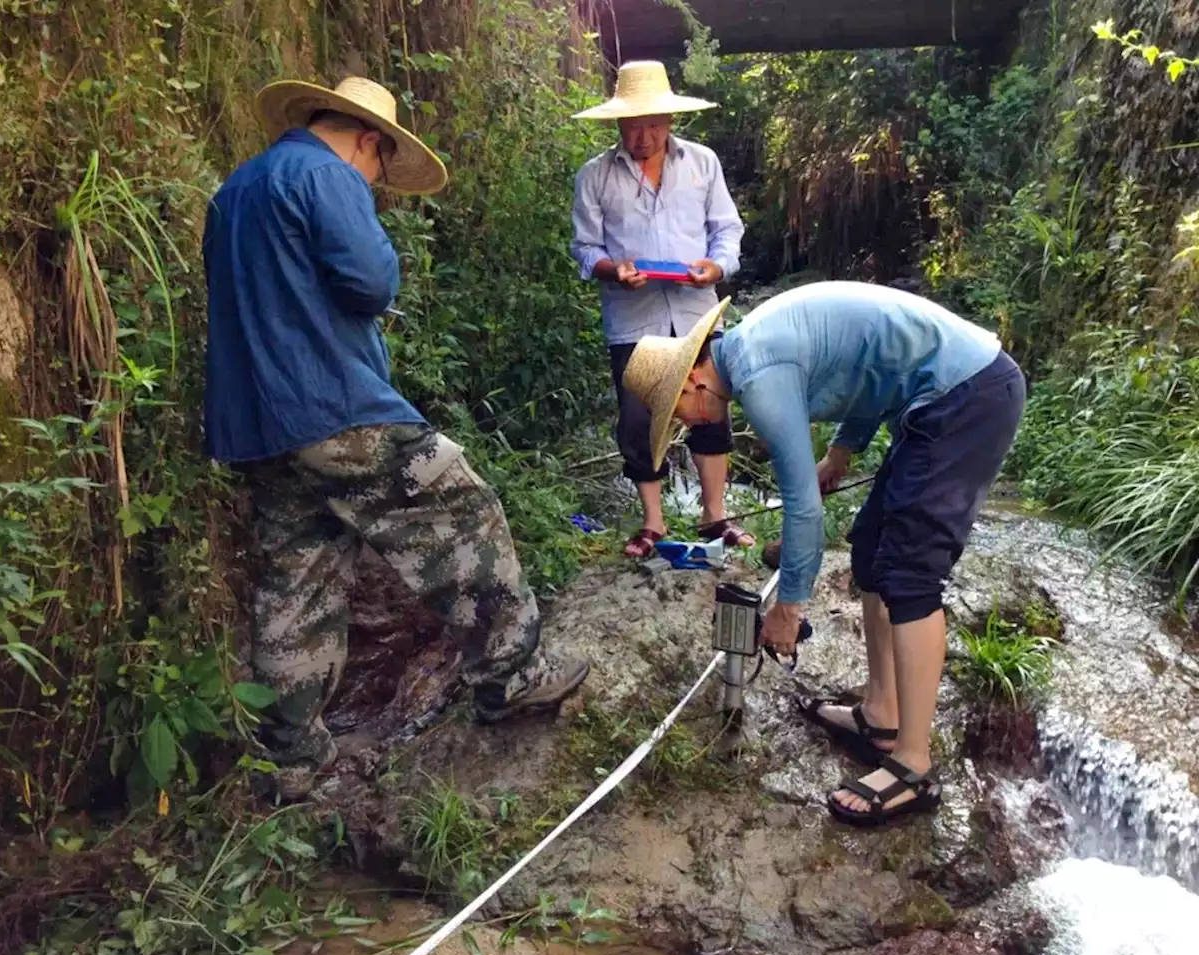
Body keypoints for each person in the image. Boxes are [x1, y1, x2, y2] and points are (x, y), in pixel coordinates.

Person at [202, 75, 589, 799]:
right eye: (380, 171)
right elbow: (372, 282)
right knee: (464, 511)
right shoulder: (327, 173)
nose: (377, 184)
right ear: (370, 143)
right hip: (336, 408)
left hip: (259, 426)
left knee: (298, 585)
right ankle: (512, 677)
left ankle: (292, 762)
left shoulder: (236, 190)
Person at [620, 281, 1025, 826]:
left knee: (909, 575)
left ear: (694, 380)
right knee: (871, 552)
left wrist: (788, 607)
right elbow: (868, 372)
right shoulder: (751, 350)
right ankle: (882, 716)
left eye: (680, 413)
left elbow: (804, 510)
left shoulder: (759, 377)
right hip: (941, 397)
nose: (688, 424)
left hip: (967, 396)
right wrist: (838, 456)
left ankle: (913, 764)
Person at [570, 60, 752, 559]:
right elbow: (585, 248)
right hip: (633, 320)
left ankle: (715, 515)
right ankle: (653, 522)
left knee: (710, 407)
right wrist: (613, 271)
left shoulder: (701, 162)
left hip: (698, 310)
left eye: (653, 124)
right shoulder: (595, 176)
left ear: (671, 121)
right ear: (618, 125)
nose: (643, 136)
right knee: (637, 417)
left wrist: (716, 269)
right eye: (633, 126)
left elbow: (727, 229)